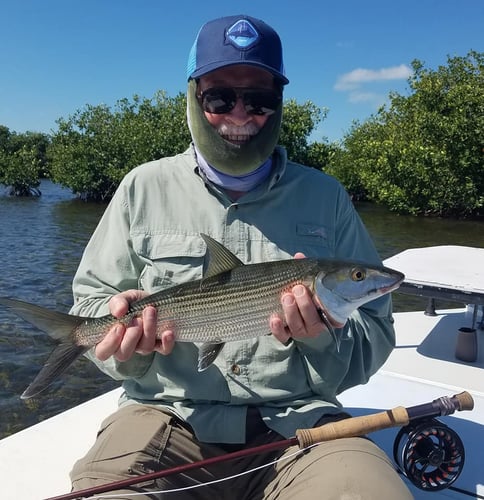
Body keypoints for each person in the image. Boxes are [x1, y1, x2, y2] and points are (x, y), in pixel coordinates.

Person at [69, 14, 412, 499]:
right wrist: (122, 346)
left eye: (259, 100)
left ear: (277, 105)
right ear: (193, 97)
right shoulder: (141, 188)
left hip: (301, 427)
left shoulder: (327, 197)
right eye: (220, 97)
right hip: (165, 417)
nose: (239, 114)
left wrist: (319, 340)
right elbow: (89, 307)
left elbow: (375, 336)